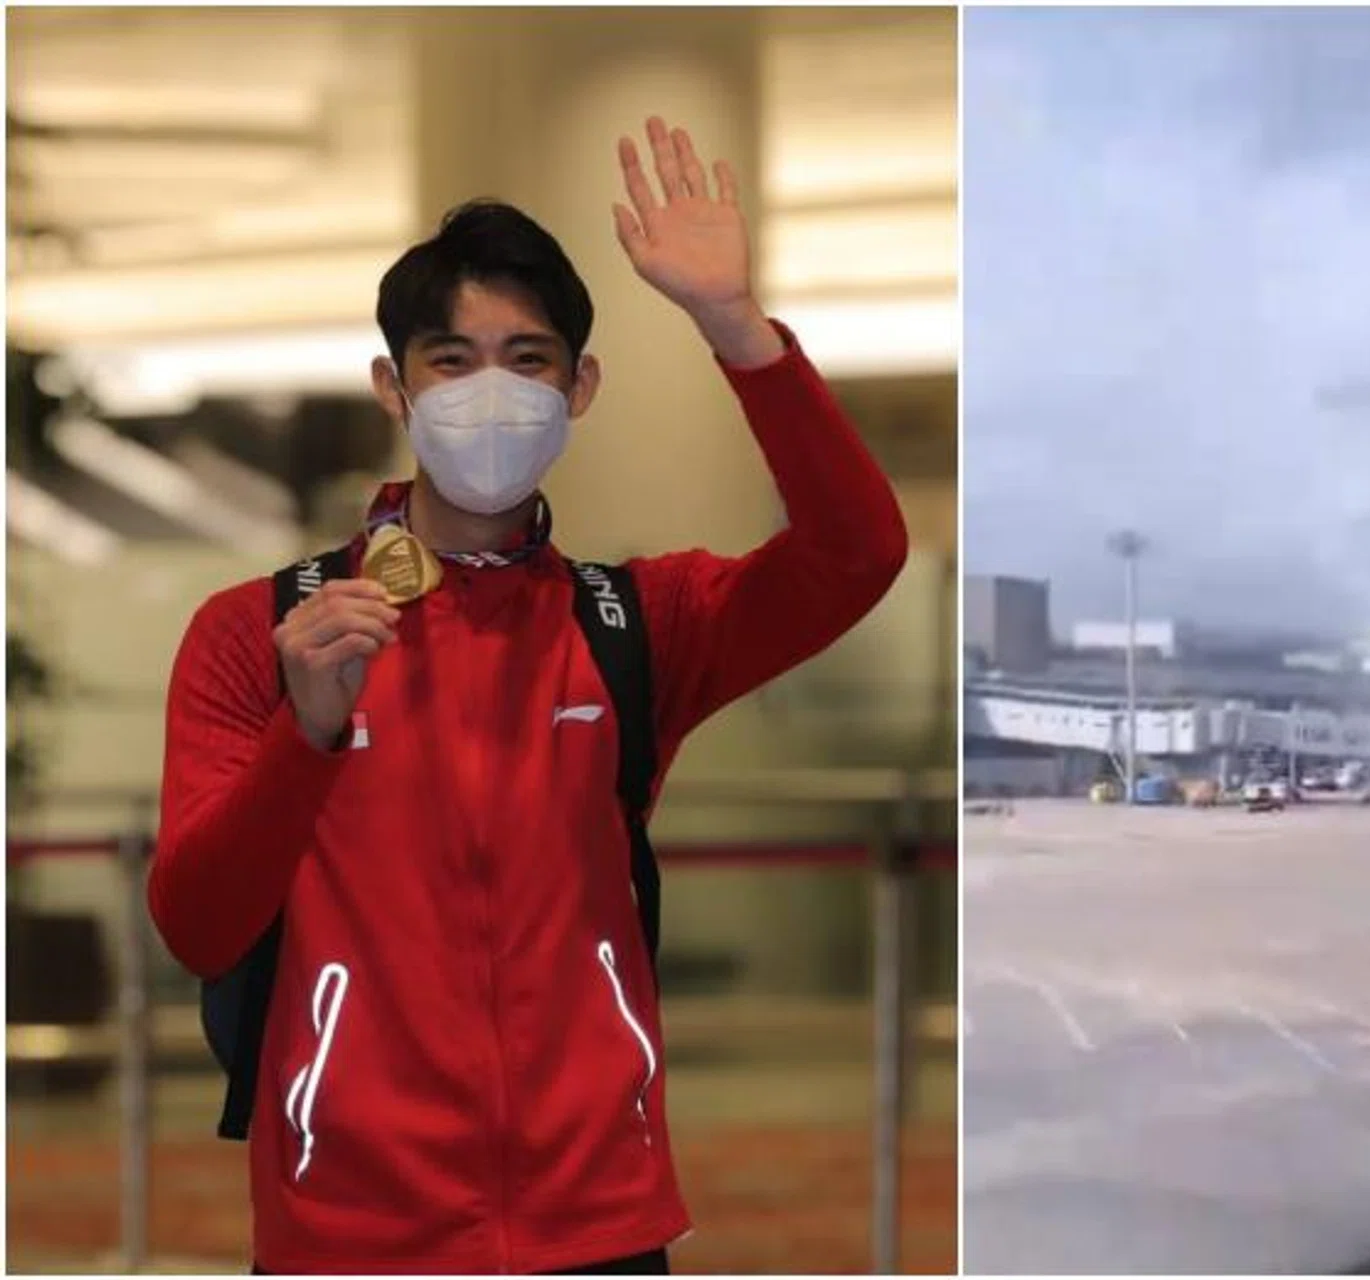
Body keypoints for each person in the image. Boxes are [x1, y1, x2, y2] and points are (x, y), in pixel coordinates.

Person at [148, 116, 908, 1275]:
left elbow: (857, 553)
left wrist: (736, 328)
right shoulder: (260, 634)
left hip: (595, 1218)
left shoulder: (638, 623)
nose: (489, 392)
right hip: (346, 1229)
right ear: (392, 388)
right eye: (450, 361)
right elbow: (196, 923)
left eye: (529, 358)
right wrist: (303, 732)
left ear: (580, 387)